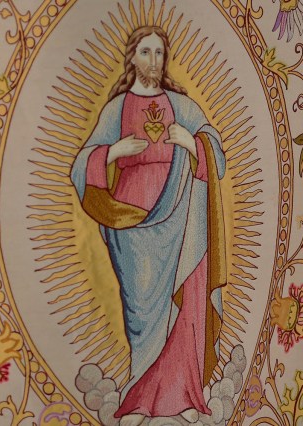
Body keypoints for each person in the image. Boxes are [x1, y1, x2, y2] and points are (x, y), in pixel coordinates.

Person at [70, 26, 226, 425]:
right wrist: (112, 152)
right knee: (142, 311)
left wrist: (191, 143)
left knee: (185, 302)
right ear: (132, 58)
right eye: (146, 52)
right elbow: (80, 164)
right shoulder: (117, 109)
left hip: (179, 217)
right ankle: (140, 399)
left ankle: (184, 396)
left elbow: (214, 148)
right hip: (132, 225)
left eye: (159, 53)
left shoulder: (180, 104)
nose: (154, 61)